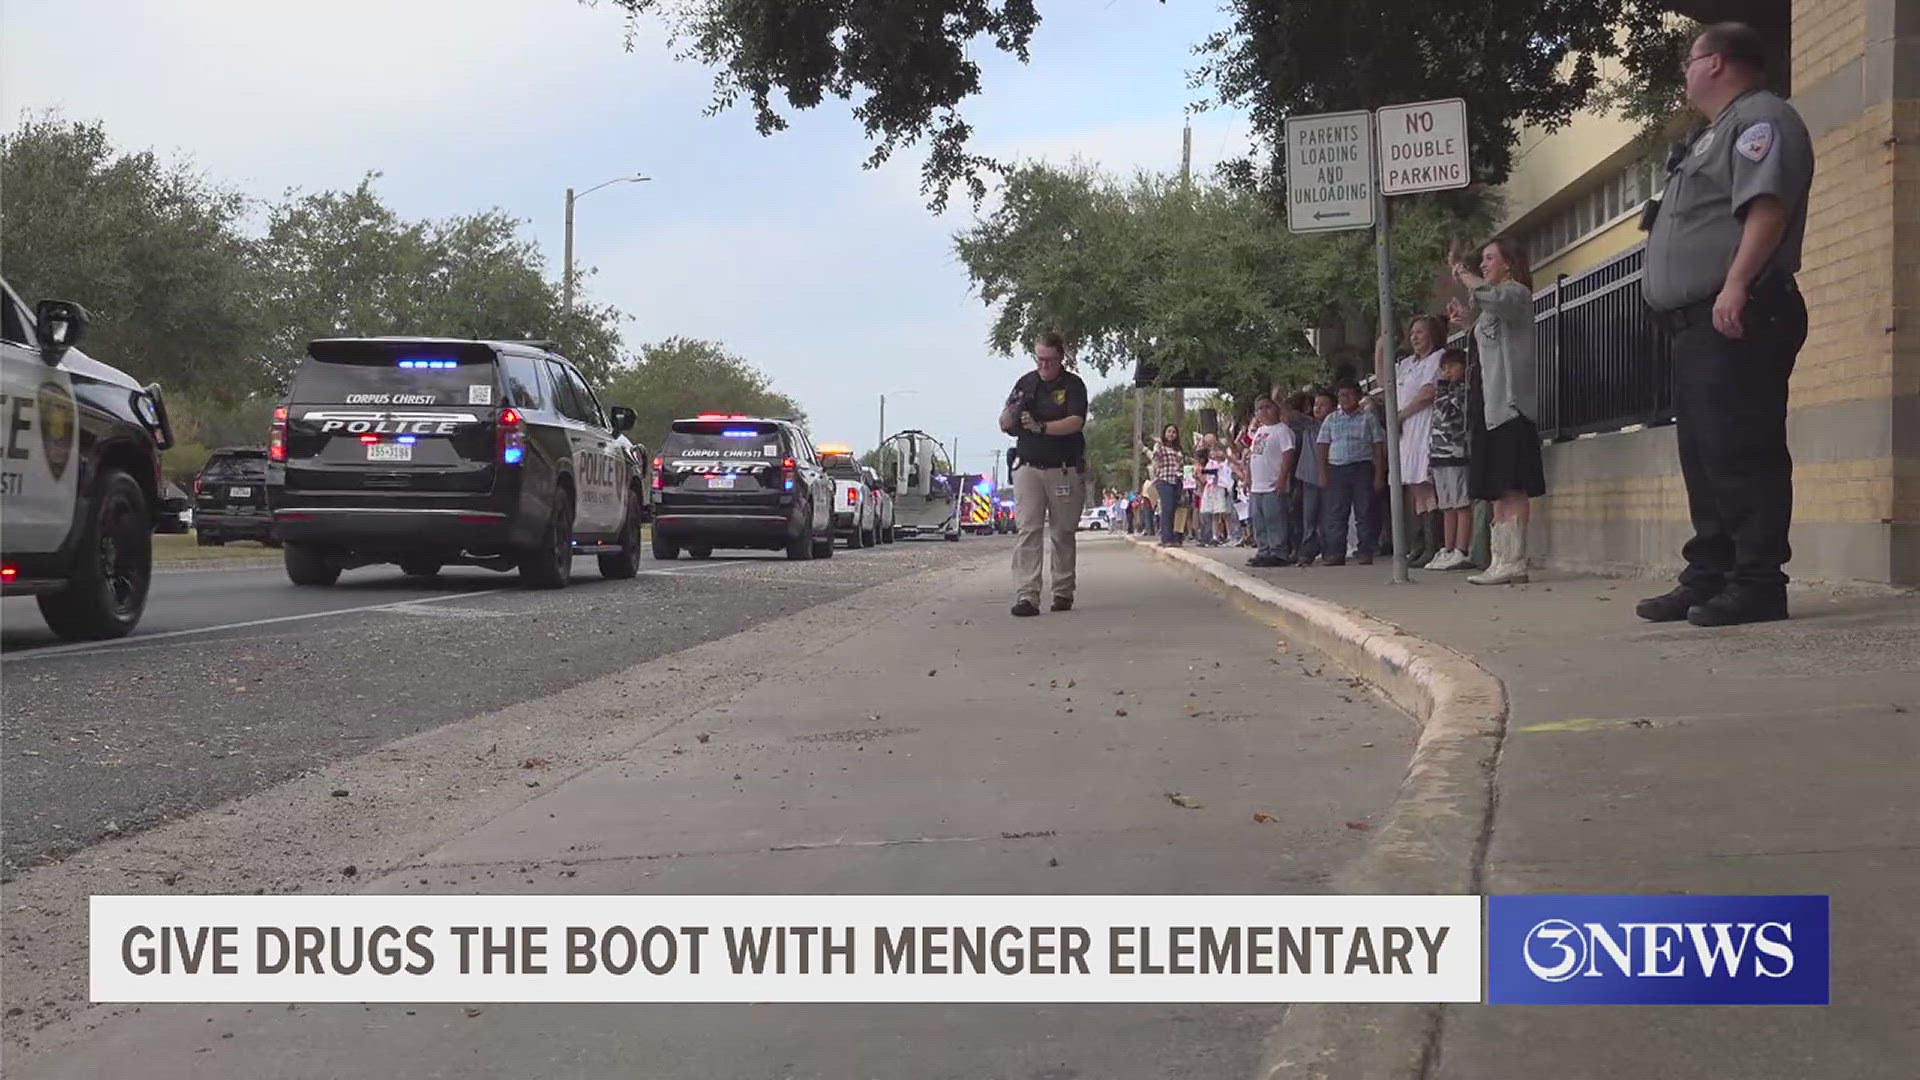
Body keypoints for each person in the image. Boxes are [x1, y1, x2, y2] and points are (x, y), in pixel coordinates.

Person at [1635, 22, 1813, 627]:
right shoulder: (1713, 135)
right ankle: (1711, 573)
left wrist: (1735, 284)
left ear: (1716, 62)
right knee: (1706, 454)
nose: (1684, 72)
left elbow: (1767, 206)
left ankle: (1759, 581)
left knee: (1742, 450)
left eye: (1690, 60)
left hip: (1740, 310)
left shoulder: (1761, 120)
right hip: (1699, 323)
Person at [1450, 235, 1545, 585]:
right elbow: (1488, 332)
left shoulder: (1516, 293)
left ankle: (1515, 561)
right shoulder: (1493, 306)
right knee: (1497, 487)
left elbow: (1500, 303)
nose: (1484, 264)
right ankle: (1500, 558)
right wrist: (1466, 325)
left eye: (1490, 258)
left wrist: (1465, 277)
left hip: (1510, 405)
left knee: (1513, 486)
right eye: (1483, 260)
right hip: (1489, 407)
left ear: (1508, 263)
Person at [998, 332, 1089, 617]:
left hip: (1063, 467)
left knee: (1063, 531)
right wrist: (1013, 414)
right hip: (1028, 466)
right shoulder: (1026, 384)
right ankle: (1027, 594)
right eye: (1040, 359)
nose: (1044, 365)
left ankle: (1062, 590)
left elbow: (1076, 421)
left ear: (1061, 358)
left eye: (1050, 360)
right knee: (1028, 529)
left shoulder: (1072, 386)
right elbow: (1004, 421)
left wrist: (1043, 427)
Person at [1383, 315, 1447, 564]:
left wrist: (1400, 416)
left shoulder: (1437, 358)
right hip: (1405, 428)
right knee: (1413, 484)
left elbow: (1428, 393)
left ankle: (1433, 544)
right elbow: (1387, 384)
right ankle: (1419, 544)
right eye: (1413, 333)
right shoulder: (1408, 363)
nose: (1415, 337)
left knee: (1425, 482)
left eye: (1420, 332)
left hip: (1421, 422)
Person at [1315, 378, 1387, 566]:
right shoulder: (1331, 419)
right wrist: (1322, 472)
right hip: (1337, 469)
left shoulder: (1368, 418)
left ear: (1358, 396)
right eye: (1341, 395)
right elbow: (1323, 446)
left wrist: (1379, 474)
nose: (1344, 399)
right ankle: (1336, 553)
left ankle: (1365, 551)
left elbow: (1377, 446)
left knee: (1364, 511)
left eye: (1348, 395)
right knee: (1336, 512)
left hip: (1362, 467)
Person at [1424, 348, 1475, 570]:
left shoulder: (1463, 391)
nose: (1447, 372)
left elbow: (1452, 413)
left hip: (1456, 454)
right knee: (1446, 506)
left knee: (1461, 503)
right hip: (1439, 455)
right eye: (1444, 368)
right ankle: (1447, 547)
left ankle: (1461, 550)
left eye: (1452, 367)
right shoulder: (1444, 392)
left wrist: (1443, 388)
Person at [1245, 397, 1298, 567]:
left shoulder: (1282, 431)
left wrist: (1282, 478)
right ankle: (1263, 550)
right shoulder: (1260, 431)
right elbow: (1254, 455)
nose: (1264, 411)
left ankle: (1278, 552)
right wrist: (1248, 476)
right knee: (1259, 520)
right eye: (1259, 408)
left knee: (1275, 519)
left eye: (1267, 407)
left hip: (1273, 484)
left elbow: (1288, 454)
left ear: (1276, 409)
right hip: (1257, 485)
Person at [1292, 391, 1329, 565]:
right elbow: (1288, 414)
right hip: (1308, 478)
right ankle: (1307, 552)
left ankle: (1328, 549)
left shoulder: (1327, 424)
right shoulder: (1307, 426)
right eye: (1315, 405)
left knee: (1328, 517)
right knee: (1309, 517)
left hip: (1329, 476)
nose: (1317, 408)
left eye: (1322, 405)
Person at [1146, 424, 1185, 546]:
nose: (1171, 434)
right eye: (1169, 431)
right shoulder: (1159, 446)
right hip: (1164, 480)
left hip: (1177, 481)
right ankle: (1165, 538)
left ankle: (1175, 537)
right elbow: (1155, 456)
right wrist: (1158, 444)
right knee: (1167, 508)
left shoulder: (1178, 449)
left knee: (1174, 509)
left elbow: (1181, 464)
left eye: (1174, 432)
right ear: (1164, 433)